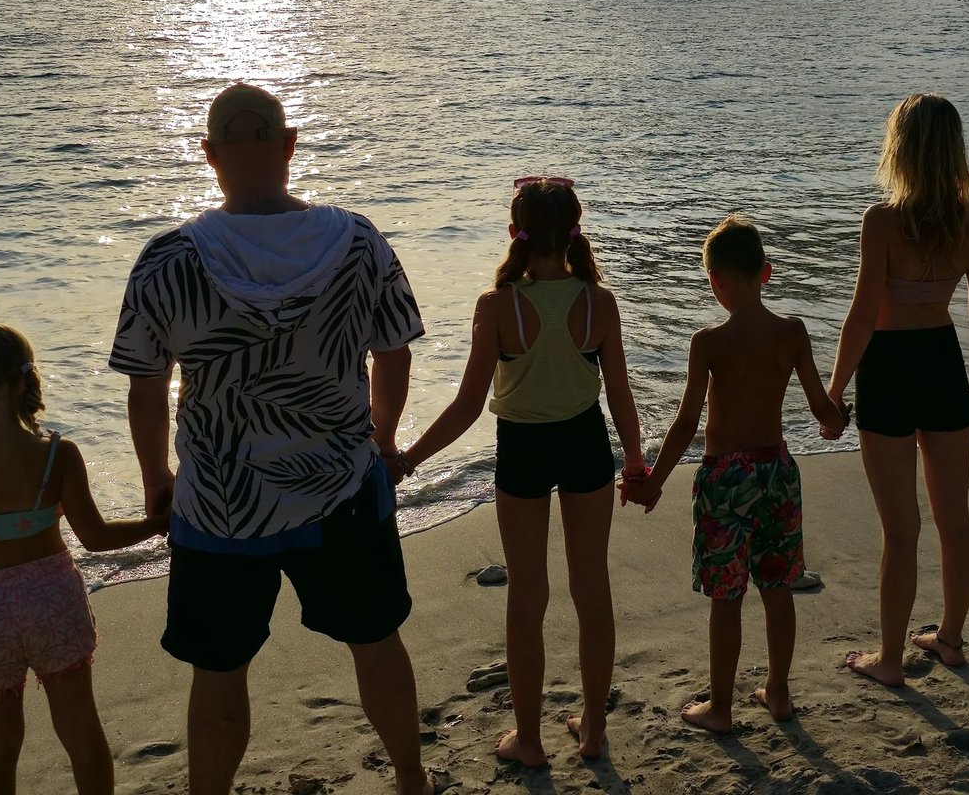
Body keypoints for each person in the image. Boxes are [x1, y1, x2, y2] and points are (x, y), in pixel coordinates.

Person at [109, 83, 432, 795]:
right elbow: (396, 351)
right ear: (287, 145)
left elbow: (143, 387)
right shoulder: (357, 240)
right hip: (343, 487)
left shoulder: (168, 259)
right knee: (375, 643)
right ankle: (411, 778)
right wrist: (382, 439)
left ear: (209, 155)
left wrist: (158, 482)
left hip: (221, 507)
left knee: (219, 672)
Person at [400, 178, 645, 767]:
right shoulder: (598, 301)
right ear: (575, 232)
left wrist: (409, 460)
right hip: (585, 443)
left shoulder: (499, 305)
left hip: (523, 450)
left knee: (527, 595)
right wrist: (635, 461)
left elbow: (465, 406)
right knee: (592, 589)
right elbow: (620, 397)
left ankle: (529, 739)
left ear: (516, 233)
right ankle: (591, 731)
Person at [0, 324, 167, 795]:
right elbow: (94, 537)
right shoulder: (57, 455)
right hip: (52, 602)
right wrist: (159, 524)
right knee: (80, 732)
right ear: (27, 383)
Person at [624, 216, 850, 733]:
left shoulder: (707, 342)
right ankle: (779, 692)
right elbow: (823, 409)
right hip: (776, 471)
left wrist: (654, 481)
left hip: (725, 479)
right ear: (766, 272)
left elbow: (686, 424)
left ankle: (721, 707)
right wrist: (843, 418)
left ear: (714, 281)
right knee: (777, 586)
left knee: (726, 597)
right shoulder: (791, 332)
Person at [825, 94, 969, 688]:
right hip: (943, 364)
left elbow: (863, 314)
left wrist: (833, 390)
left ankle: (892, 659)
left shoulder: (882, 221)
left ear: (900, 149)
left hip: (890, 370)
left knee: (901, 532)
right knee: (956, 521)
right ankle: (949, 639)